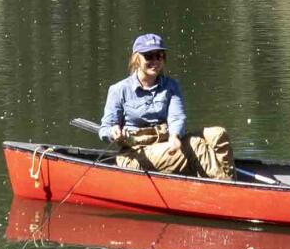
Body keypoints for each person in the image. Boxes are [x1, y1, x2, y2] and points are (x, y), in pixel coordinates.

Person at [99, 32, 234, 177]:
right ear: (137, 58)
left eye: (160, 56)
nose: (155, 61)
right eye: (149, 56)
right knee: (196, 145)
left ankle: (229, 182)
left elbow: (177, 116)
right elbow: (105, 128)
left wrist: (174, 136)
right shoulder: (119, 90)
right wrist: (113, 133)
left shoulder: (171, 86)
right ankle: (228, 192)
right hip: (136, 152)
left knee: (218, 134)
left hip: (167, 141)